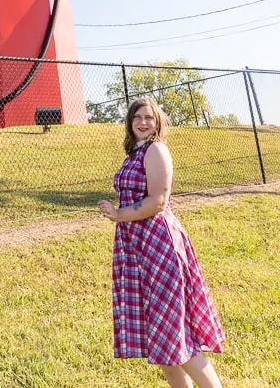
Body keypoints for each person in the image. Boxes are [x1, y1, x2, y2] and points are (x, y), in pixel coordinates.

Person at [99, 97, 226, 388]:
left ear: (158, 123)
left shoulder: (156, 150)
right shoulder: (135, 152)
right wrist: (115, 210)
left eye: (149, 118)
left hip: (158, 245)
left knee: (174, 330)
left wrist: (119, 214)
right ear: (130, 123)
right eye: (137, 117)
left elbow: (158, 201)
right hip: (137, 246)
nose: (143, 122)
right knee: (161, 338)